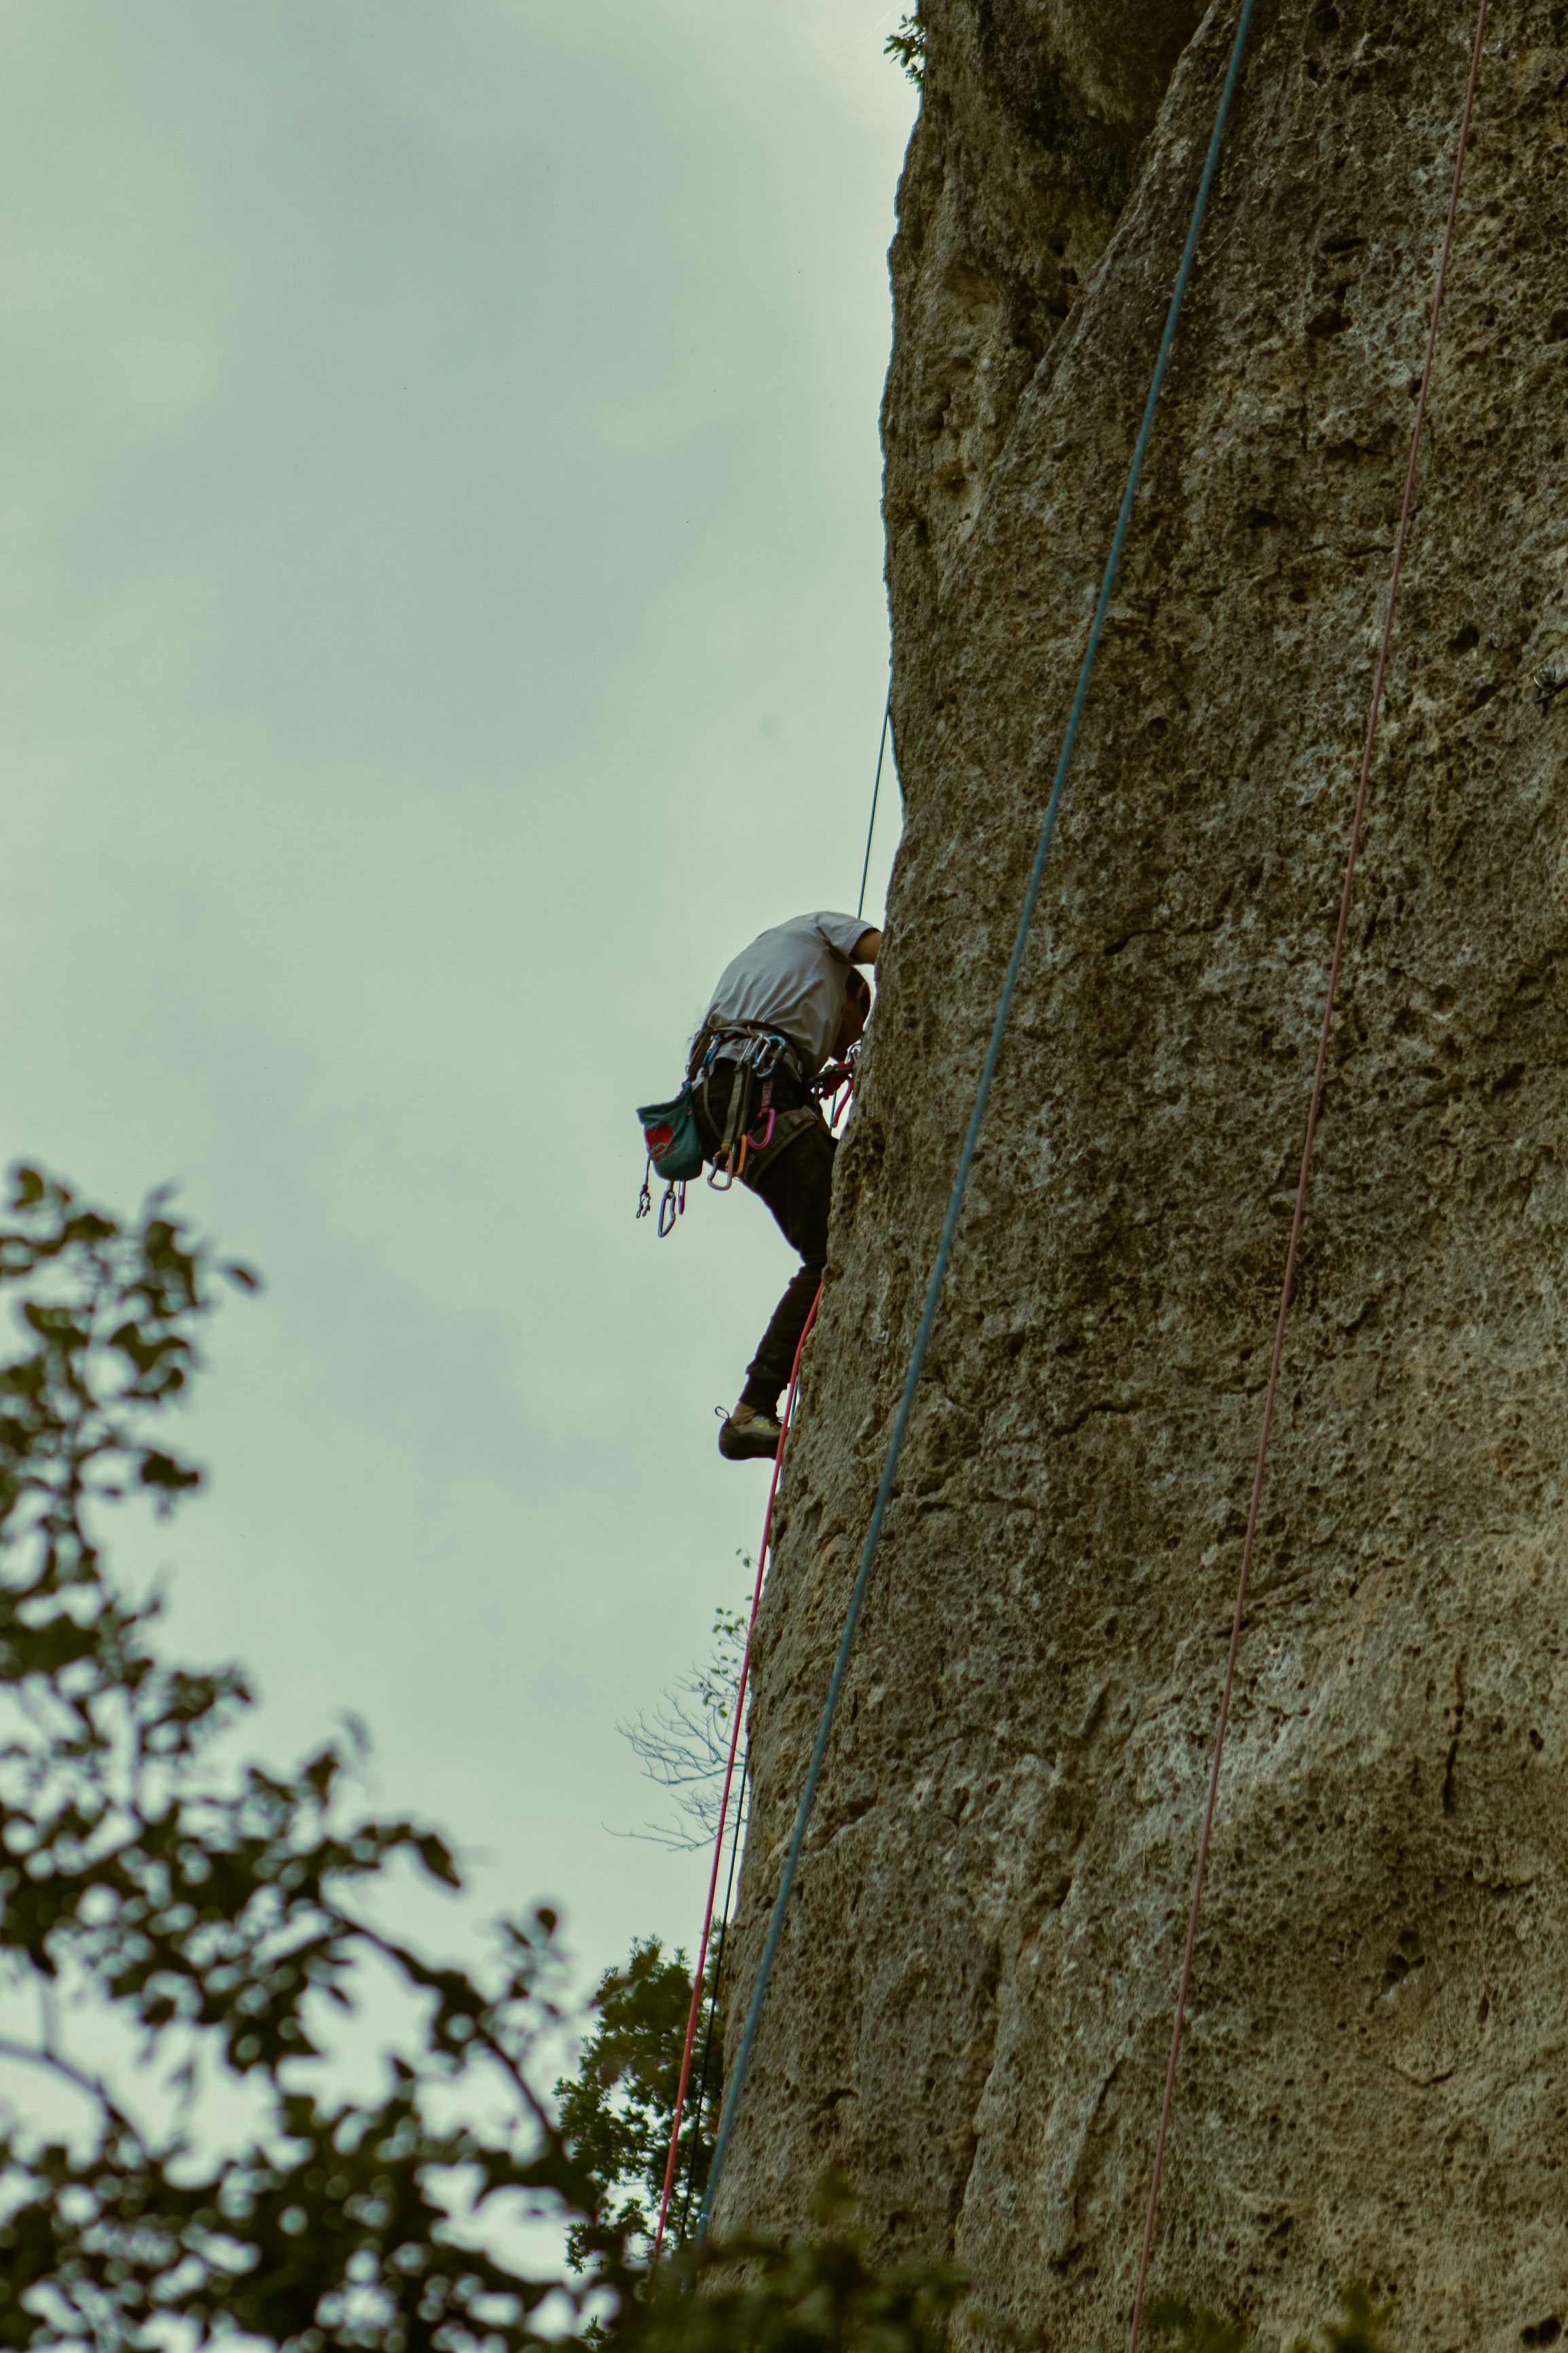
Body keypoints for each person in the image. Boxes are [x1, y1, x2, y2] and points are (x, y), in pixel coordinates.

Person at [689, 910, 881, 1461]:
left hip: (724, 1101)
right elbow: (894, 947)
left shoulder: (765, 964)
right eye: (853, 1029)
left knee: (829, 1226)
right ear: (851, 996)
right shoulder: (825, 931)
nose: (846, 1050)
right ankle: (751, 1412)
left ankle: (754, 1407)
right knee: (831, 1249)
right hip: (757, 1091)